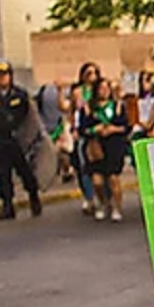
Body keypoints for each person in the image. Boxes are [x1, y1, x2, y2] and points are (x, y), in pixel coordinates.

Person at [0, 61, 42, 219]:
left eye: (4, 75)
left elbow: (31, 118)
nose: (1, 79)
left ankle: (33, 195)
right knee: (2, 174)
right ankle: (7, 205)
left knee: (25, 172)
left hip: (18, 141)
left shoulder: (20, 95)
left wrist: (33, 139)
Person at [81, 77, 132, 222]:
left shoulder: (117, 106)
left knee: (113, 178)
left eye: (106, 88)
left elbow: (126, 126)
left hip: (114, 145)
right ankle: (103, 202)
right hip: (96, 146)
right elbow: (82, 129)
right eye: (101, 88)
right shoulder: (88, 108)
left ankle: (117, 207)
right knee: (97, 181)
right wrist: (94, 130)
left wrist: (113, 129)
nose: (104, 91)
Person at [62, 62, 105, 213]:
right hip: (82, 132)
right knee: (82, 165)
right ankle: (89, 197)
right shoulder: (77, 92)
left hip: (99, 131)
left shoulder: (102, 90)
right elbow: (70, 111)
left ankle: (103, 197)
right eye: (88, 73)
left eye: (95, 73)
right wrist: (72, 128)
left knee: (99, 165)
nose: (92, 76)